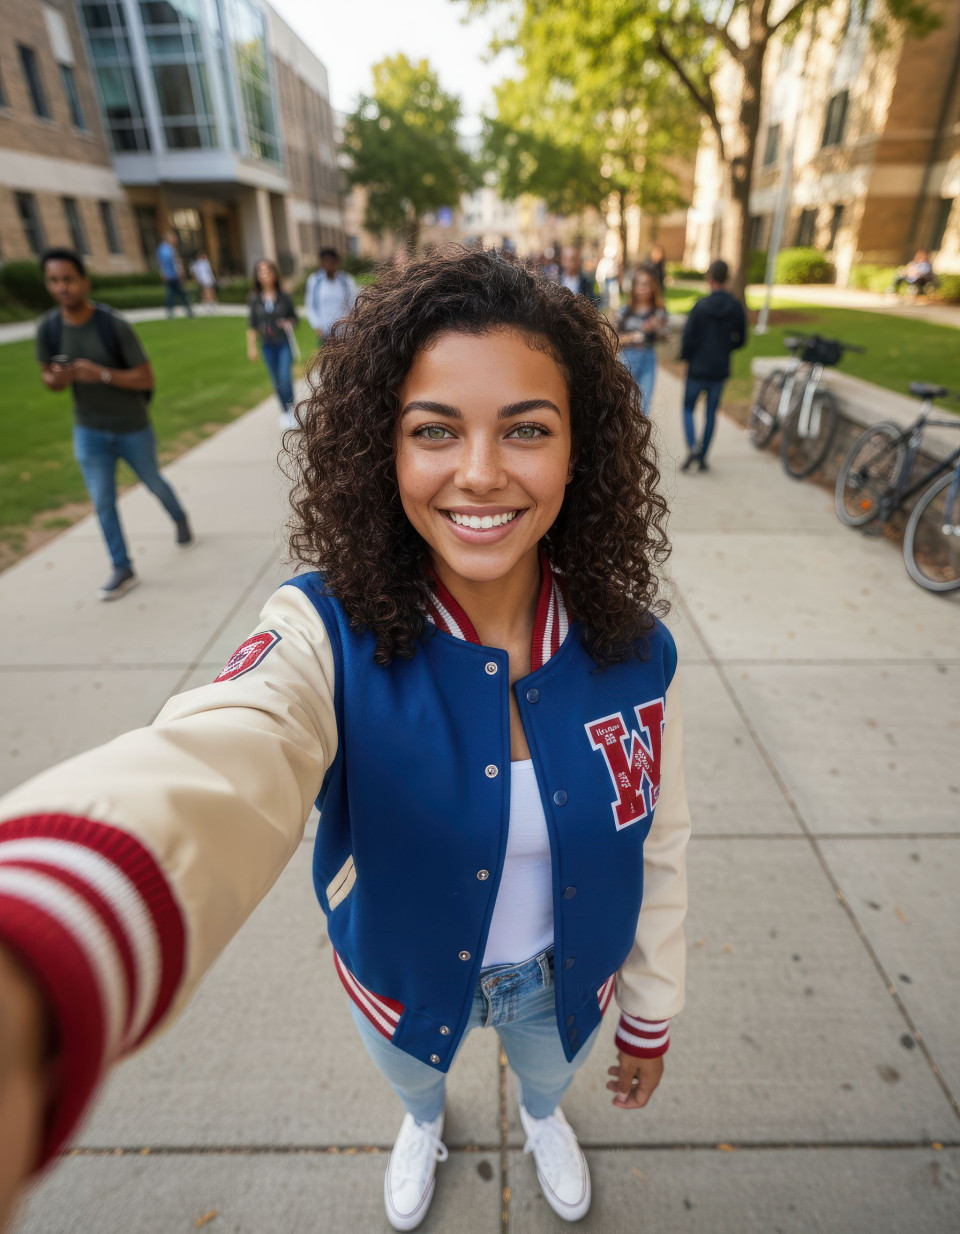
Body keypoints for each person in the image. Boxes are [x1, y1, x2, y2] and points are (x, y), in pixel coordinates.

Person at [0, 248, 690, 1231]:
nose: (482, 472)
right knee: (414, 1081)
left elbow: (661, 838)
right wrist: (34, 941)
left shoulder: (635, 650)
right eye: (434, 431)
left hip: (567, 981)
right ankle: (421, 1122)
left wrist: (653, 1010)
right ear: (383, 448)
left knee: (547, 1079)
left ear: (580, 448)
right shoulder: (324, 633)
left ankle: (542, 1117)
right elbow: (217, 760)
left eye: (527, 429)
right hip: (400, 978)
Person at [34, 247, 195, 600]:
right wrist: (58, 379)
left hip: (131, 426)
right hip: (88, 429)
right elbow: (47, 377)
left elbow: (146, 378)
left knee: (152, 480)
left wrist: (101, 374)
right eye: (54, 281)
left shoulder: (112, 325)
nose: (62, 287)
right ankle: (122, 567)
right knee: (102, 500)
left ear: (84, 281)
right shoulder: (48, 327)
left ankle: (179, 516)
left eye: (68, 279)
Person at [678, 258, 747, 472]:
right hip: (719, 368)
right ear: (726, 278)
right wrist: (727, 347)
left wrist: (686, 357)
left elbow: (688, 338)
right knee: (711, 413)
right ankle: (703, 455)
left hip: (698, 367)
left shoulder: (701, 307)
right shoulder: (736, 307)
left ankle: (692, 446)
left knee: (688, 408)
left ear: (709, 279)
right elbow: (742, 339)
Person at [247, 259, 299, 430]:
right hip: (267, 345)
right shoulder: (254, 299)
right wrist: (252, 347)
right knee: (276, 380)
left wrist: (288, 322)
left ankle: (292, 410)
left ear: (274, 274)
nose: (265, 274)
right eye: (261, 271)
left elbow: (295, 319)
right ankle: (285, 411)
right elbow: (252, 325)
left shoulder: (284, 296)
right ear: (258, 276)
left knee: (285, 377)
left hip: (283, 343)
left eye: (268, 271)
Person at [617, 267, 669, 413]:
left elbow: (665, 336)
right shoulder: (624, 311)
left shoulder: (658, 311)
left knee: (643, 408)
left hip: (648, 357)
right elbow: (616, 339)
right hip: (628, 358)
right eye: (639, 284)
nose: (642, 288)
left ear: (652, 287)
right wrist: (637, 334)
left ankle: (639, 436)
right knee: (624, 405)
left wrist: (658, 329)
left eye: (646, 284)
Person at [304, 247, 358, 342]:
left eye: (332, 262)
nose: (329, 265)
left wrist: (352, 321)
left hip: (344, 331)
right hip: (325, 333)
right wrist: (317, 325)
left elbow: (354, 301)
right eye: (326, 262)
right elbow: (311, 306)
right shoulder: (315, 281)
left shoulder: (346, 280)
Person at [155, 230, 193, 319]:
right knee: (174, 294)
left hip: (174, 275)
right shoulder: (164, 249)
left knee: (176, 293)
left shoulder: (170, 248)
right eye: (172, 237)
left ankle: (184, 310)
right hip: (170, 275)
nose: (175, 239)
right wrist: (164, 274)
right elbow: (164, 263)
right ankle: (178, 311)